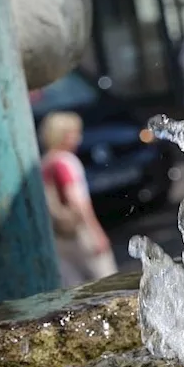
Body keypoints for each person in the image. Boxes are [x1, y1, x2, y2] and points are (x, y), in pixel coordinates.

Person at [38, 111, 117, 288]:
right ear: (62, 135)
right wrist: (96, 232)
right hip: (79, 231)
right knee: (108, 283)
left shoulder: (45, 163)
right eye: (74, 133)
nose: (79, 138)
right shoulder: (65, 162)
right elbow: (77, 200)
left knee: (76, 287)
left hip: (59, 236)